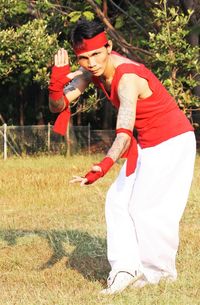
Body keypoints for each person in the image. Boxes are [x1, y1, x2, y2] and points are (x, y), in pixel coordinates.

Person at [48, 19, 196, 294]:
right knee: (117, 202)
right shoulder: (91, 70)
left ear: (109, 47)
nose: (91, 63)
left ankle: (159, 275)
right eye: (83, 57)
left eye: (96, 54)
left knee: (147, 208)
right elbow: (59, 105)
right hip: (148, 143)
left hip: (172, 141)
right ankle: (125, 269)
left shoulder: (128, 79)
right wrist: (56, 83)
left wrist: (103, 166)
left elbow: (124, 133)